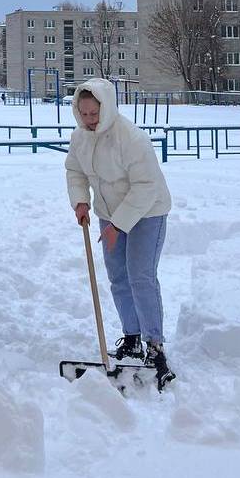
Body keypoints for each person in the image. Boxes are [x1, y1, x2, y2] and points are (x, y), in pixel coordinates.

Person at [64, 78, 176, 389]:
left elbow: (146, 186)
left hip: (147, 211)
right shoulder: (80, 138)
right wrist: (81, 201)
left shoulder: (132, 139)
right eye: (83, 114)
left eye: (94, 114)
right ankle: (132, 337)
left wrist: (118, 225)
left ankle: (156, 347)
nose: (89, 120)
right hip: (107, 213)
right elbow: (74, 170)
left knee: (140, 275)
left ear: (108, 108)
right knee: (118, 278)